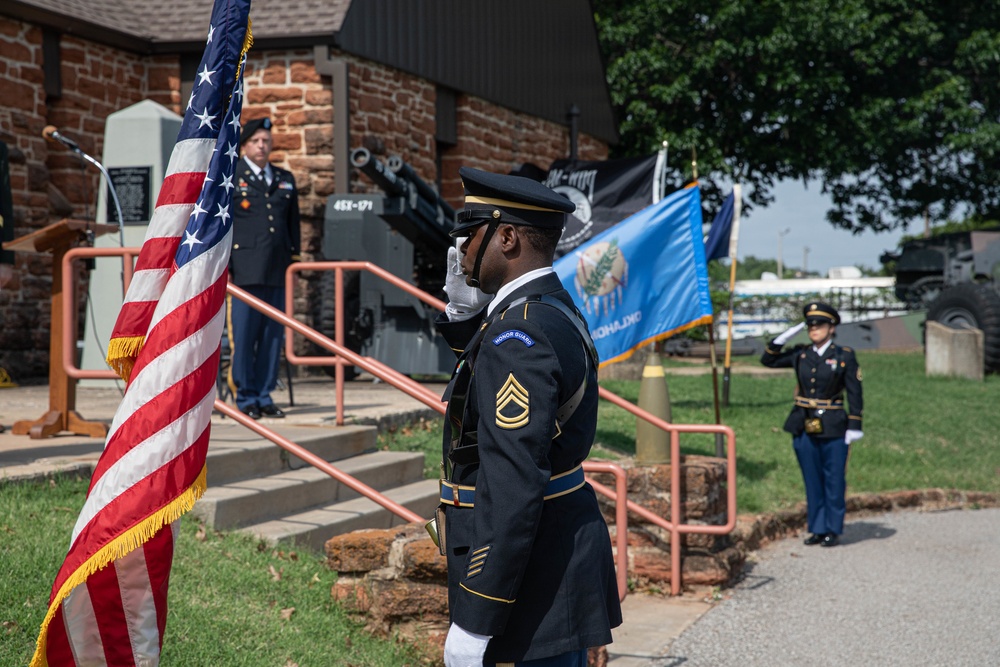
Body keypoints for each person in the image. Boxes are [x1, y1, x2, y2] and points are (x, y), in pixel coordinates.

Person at [434, 167, 622, 667]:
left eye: (470, 234)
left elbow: (513, 481)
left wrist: (477, 619)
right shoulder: (544, 309)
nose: (462, 249)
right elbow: (488, 373)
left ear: (509, 237)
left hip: (527, 584)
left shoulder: (518, 335)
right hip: (552, 559)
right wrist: (463, 313)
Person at [760, 302, 864, 547]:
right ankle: (817, 527)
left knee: (834, 478)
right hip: (803, 422)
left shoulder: (843, 356)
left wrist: (855, 424)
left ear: (831, 327)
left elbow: (855, 392)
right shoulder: (801, 354)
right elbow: (767, 360)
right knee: (812, 477)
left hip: (834, 424)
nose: (814, 329)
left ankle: (833, 528)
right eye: (810, 326)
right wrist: (782, 338)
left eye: (820, 325)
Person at [227, 117, 300, 419]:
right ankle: (245, 397)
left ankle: (264, 394)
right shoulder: (232, 176)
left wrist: (293, 259)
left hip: (277, 269)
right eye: (256, 141)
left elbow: (291, 225)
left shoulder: (284, 178)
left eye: (266, 141)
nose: (262, 145)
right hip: (244, 270)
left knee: (272, 337)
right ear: (244, 145)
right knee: (244, 336)